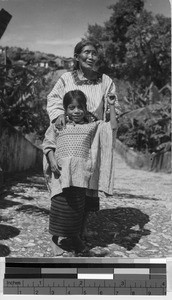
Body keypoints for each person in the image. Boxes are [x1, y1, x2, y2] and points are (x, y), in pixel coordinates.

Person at [46, 39, 121, 238]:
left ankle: (81, 226)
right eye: (86, 52)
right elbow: (53, 99)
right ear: (77, 57)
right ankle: (61, 227)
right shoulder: (65, 79)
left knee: (89, 181)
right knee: (67, 182)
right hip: (69, 137)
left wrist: (101, 118)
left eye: (94, 53)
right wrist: (58, 115)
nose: (90, 56)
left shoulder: (106, 81)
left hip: (93, 137)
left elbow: (114, 109)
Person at [43, 89, 117, 256]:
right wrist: (52, 161)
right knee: (60, 205)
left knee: (77, 208)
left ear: (85, 108)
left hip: (81, 174)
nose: (76, 111)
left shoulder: (92, 126)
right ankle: (55, 240)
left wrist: (111, 106)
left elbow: (111, 129)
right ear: (65, 109)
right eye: (71, 107)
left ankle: (74, 238)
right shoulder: (59, 125)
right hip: (60, 173)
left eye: (80, 107)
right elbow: (48, 144)